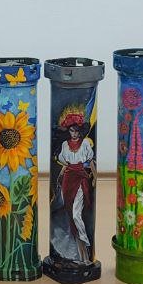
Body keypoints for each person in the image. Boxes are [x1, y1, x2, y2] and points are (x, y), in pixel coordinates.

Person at [55, 111, 94, 264]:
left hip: (80, 178)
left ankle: (85, 243)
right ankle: (80, 253)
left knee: (77, 214)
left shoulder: (85, 144)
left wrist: (94, 177)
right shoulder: (65, 145)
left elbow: (90, 162)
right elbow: (64, 164)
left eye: (77, 130)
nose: (75, 133)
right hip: (68, 180)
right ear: (69, 131)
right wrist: (59, 178)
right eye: (72, 130)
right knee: (70, 213)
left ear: (80, 131)